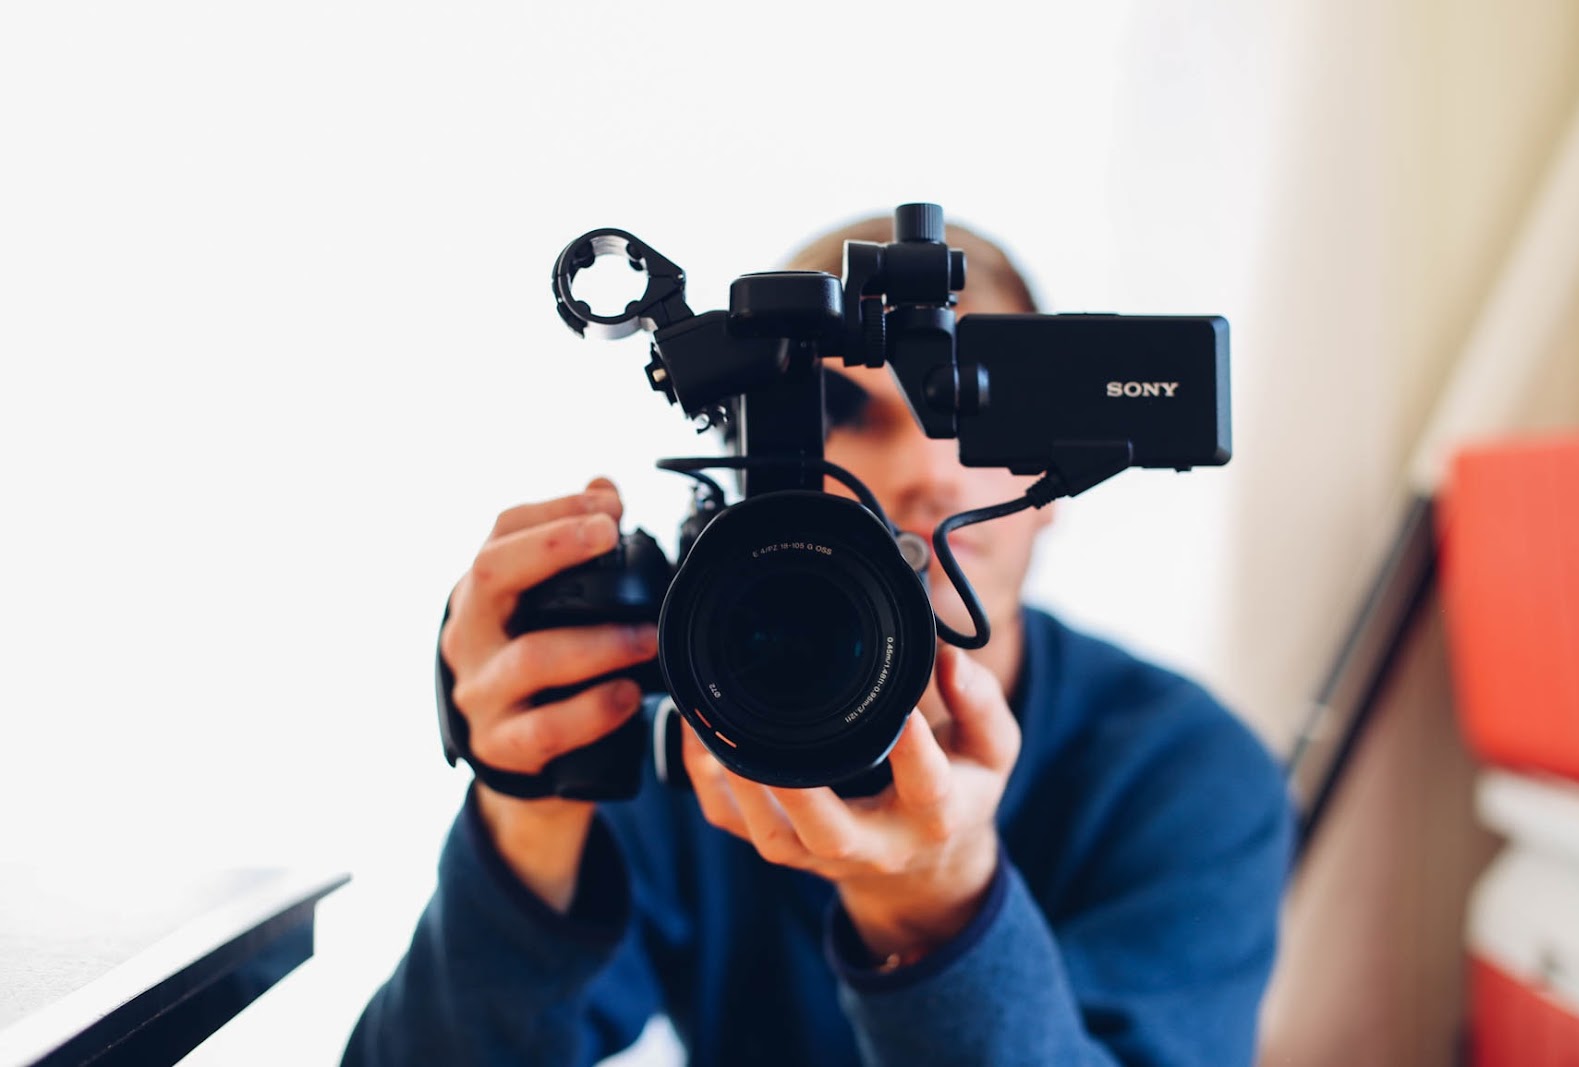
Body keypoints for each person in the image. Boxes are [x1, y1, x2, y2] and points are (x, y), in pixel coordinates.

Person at [343, 217, 1294, 1066]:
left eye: (973, 410)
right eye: (846, 413)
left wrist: (942, 910)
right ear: (763, 462)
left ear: (1058, 484)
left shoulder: (1186, 772)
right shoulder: (677, 720)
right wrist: (529, 812)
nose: (926, 468)